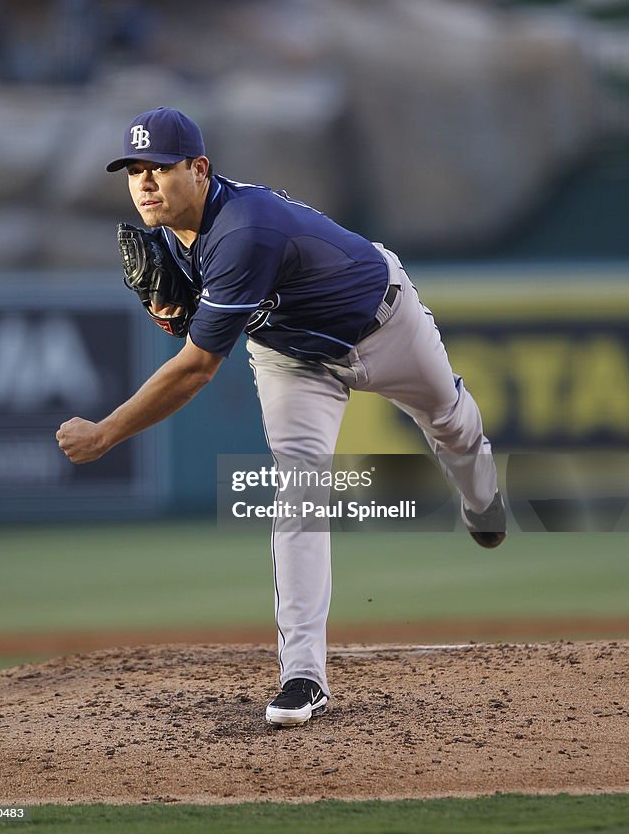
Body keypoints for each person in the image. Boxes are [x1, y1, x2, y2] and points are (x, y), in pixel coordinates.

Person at [56, 106, 506, 728]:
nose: (144, 182)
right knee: (297, 489)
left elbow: (196, 368)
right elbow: (197, 320)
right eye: (133, 170)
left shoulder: (242, 230)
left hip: (383, 323)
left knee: (452, 423)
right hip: (293, 356)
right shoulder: (168, 239)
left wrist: (107, 431)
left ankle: (482, 502)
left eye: (159, 167)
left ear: (200, 169)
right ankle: (303, 675)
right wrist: (174, 304)